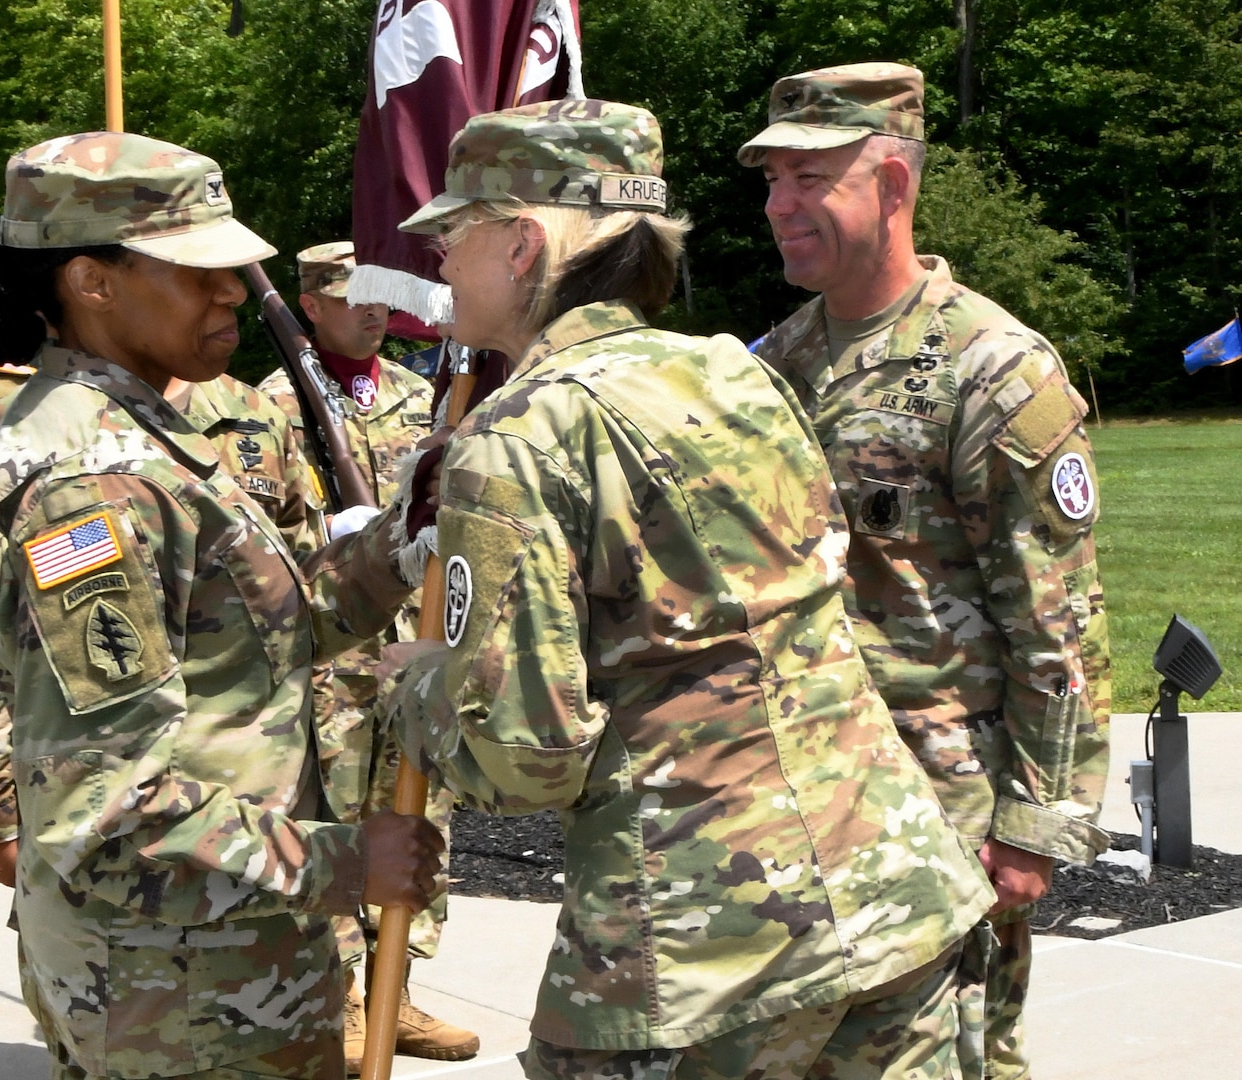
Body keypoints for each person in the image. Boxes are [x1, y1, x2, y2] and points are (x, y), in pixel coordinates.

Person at [377, 97, 996, 1079]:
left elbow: (522, 761)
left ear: (524, 245)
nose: (439, 265)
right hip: (892, 891)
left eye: (455, 233)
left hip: (699, 950)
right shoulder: (734, 375)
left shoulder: (516, 437)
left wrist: (414, 683)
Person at [0, 130, 443, 1080]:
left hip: (222, 960)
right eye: (198, 270)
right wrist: (344, 863)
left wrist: (398, 537)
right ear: (92, 283)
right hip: (178, 996)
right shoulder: (92, 481)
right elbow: (108, 802)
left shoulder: (145, 433)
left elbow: (269, 630)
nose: (232, 294)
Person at [740, 62, 1112, 1079]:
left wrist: (1034, 827)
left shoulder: (990, 367)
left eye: (807, 177)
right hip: (804, 804)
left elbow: (1057, 620)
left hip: (943, 817)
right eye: (769, 180)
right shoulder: (774, 366)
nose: (777, 205)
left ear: (892, 185)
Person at [260, 242, 476, 1070]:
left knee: (419, 815)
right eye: (350, 297)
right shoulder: (270, 406)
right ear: (310, 306)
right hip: (334, 662)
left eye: (381, 297)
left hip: (412, 650)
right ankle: (344, 996)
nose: (371, 310)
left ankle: (400, 987)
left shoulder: (422, 396)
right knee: (340, 823)